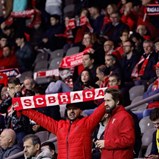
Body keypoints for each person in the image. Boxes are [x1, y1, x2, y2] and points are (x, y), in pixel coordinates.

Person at [21, 101, 106, 159]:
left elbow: (100, 111)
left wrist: (109, 97)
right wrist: (23, 110)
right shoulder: (60, 125)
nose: (71, 111)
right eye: (69, 109)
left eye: (74, 109)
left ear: (80, 111)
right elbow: (40, 118)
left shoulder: (87, 123)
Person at [95, 88, 135, 159]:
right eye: (105, 101)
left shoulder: (125, 116)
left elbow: (128, 140)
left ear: (117, 101)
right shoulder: (112, 116)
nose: (105, 104)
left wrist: (106, 144)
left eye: (108, 100)